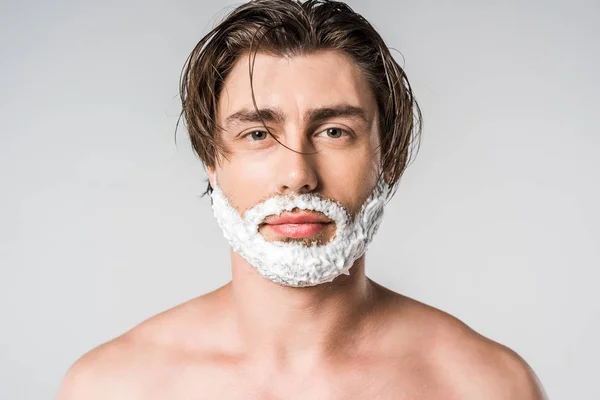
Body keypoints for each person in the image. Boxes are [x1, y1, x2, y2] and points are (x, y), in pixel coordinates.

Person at [57, 0, 547, 398]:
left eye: (334, 131)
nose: (298, 175)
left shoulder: (486, 386)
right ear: (211, 158)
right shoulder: (113, 387)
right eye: (257, 134)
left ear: (388, 156)